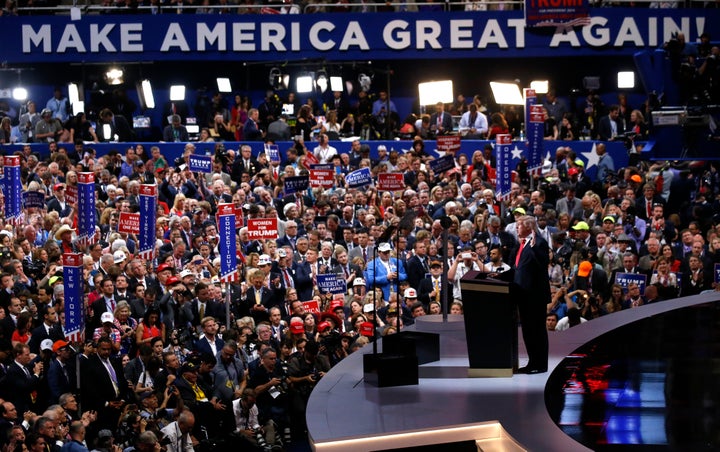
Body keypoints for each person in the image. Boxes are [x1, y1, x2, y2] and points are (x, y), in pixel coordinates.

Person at [508, 215, 550, 374]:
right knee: (527, 331)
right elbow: (518, 269)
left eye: (519, 225)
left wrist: (532, 248)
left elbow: (542, 263)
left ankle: (540, 364)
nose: (516, 228)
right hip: (523, 295)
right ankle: (532, 362)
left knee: (537, 330)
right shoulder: (523, 244)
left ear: (529, 228)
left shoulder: (538, 243)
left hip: (535, 296)